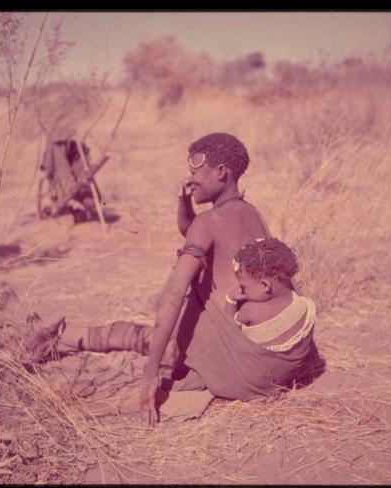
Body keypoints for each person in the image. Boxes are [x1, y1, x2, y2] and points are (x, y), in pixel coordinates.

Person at [28, 132, 318, 427]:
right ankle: (59, 337)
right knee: (166, 323)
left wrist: (150, 373)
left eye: (196, 173)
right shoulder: (251, 213)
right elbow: (191, 229)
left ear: (220, 172)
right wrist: (185, 201)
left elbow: (173, 294)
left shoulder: (210, 222)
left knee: (148, 333)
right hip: (274, 366)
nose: (190, 180)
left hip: (239, 365)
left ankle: (59, 336)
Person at [224, 237, 315, 353]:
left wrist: (230, 301)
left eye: (243, 286)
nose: (240, 290)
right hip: (291, 367)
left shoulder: (249, 310)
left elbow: (227, 333)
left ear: (264, 286)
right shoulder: (304, 305)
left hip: (258, 368)